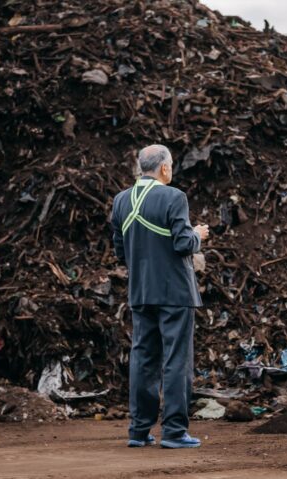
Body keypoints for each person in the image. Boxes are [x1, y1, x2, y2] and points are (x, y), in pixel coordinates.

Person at [111, 144, 209, 449]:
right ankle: (175, 432)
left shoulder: (120, 200)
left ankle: (138, 432)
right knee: (176, 360)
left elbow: (120, 251)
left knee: (143, 358)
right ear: (164, 168)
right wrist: (198, 235)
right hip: (175, 293)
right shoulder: (173, 197)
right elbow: (183, 243)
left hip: (141, 292)